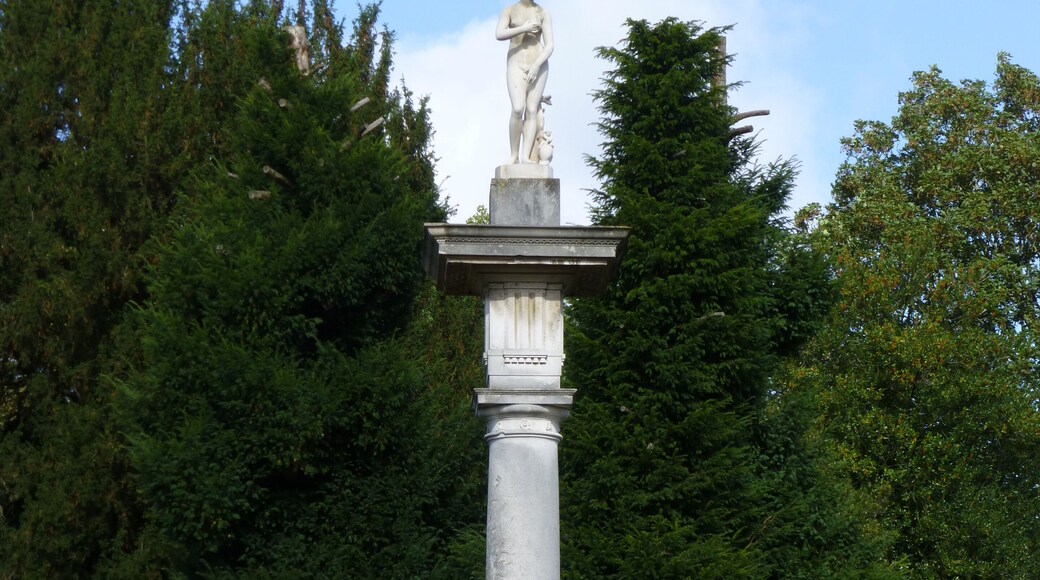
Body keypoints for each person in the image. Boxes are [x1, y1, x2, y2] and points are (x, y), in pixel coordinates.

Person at [496, 1, 554, 164]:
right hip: (516, 62)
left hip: (538, 63)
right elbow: (499, 34)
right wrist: (524, 28)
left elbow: (550, 45)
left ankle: (525, 156)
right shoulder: (510, 10)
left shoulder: (543, 13)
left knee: (531, 109)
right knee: (517, 108)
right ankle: (514, 155)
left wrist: (536, 65)